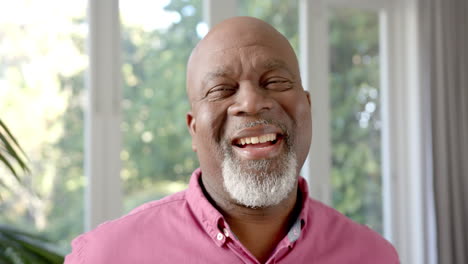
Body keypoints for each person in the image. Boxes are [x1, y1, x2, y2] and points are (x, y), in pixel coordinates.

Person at [65, 16, 399, 264]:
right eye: (221, 90)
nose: (252, 103)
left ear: (308, 107)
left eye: (275, 81)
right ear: (193, 129)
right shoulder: (104, 256)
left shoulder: (373, 256)